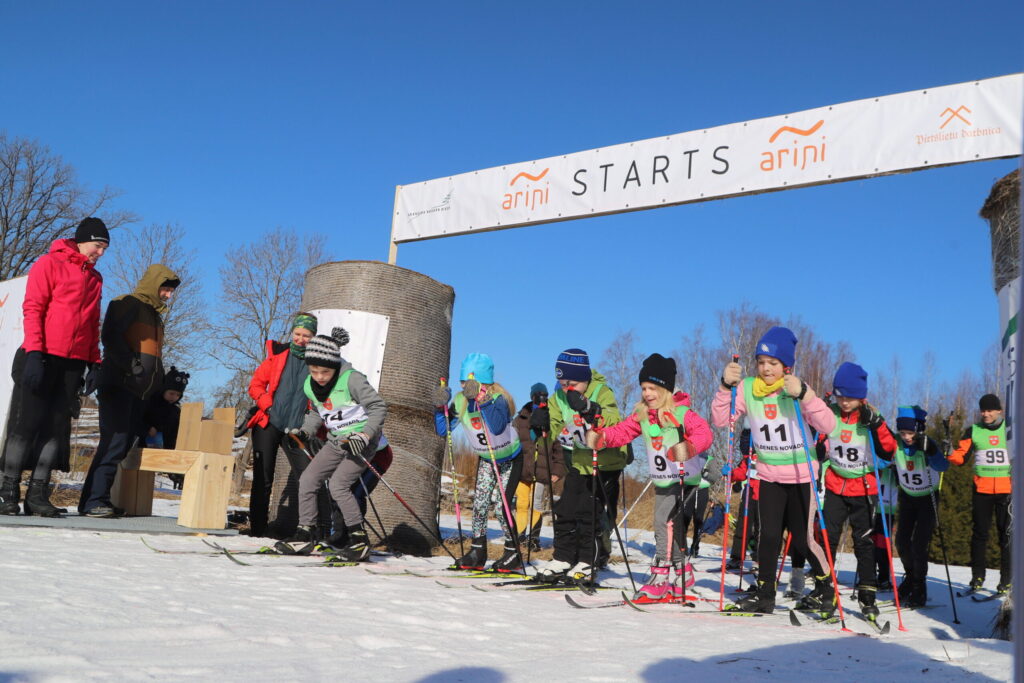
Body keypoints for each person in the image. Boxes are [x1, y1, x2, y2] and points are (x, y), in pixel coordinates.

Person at [712, 326, 836, 614]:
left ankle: (825, 587)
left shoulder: (794, 388)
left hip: (800, 475)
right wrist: (724, 387)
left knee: (803, 539)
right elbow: (721, 421)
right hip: (768, 474)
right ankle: (765, 594)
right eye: (761, 362)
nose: (766, 369)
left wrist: (806, 394)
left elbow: (829, 425)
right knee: (767, 537)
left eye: (774, 364)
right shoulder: (747, 389)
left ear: (786, 366)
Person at [0, 218, 108, 516]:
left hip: (72, 363)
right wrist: (34, 351)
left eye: (104, 249)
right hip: (41, 355)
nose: (100, 253)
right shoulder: (49, 264)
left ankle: (37, 494)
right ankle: (7, 492)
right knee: (26, 426)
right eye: (98, 246)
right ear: (83, 240)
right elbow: (33, 307)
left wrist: (94, 361)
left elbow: (91, 323)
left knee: (55, 430)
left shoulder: (95, 279)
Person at [587, 353, 713, 602]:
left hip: (684, 480)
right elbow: (622, 432)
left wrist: (687, 447)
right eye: (644, 388)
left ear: (666, 389)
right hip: (663, 480)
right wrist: (602, 438)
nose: (647, 393)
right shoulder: (643, 415)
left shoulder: (682, 413)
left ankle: (661, 577)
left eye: (653, 388)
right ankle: (683, 574)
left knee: (662, 521)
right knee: (670, 527)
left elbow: (705, 434)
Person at [78, 264, 179, 517]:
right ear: (154, 284)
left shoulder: (154, 316)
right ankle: (94, 502)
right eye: (165, 289)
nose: (168, 295)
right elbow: (111, 336)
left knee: (122, 446)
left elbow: (154, 356)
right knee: (114, 442)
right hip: (118, 384)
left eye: (170, 291)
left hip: (140, 392)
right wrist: (131, 366)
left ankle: (95, 500)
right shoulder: (126, 303)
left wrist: (161, 382)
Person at [288, 327, 389, 562]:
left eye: (325, 371)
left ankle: (358, 537)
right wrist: (305, 432)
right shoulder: (309, 384)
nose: (320, 376)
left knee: (338, 485)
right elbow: (316, 412)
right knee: (308, 479)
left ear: (335, 365)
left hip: (361, 440)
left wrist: (364, 436)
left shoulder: (351, 378)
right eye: (314, 371)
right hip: (336, 440)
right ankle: (306, 531)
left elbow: (378, 407)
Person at [534, 348, 626, 585]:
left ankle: (587, 560)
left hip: (605, 461)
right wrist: (541, 426)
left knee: (588, 511)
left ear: (584, 378)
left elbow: (614, 420)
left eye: (571, 382)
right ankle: (563, 557)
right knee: (565, 508)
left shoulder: (601, 391)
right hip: (580, 460)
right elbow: (553, 430)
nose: (566, 388)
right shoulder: (559, 398)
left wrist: (588, 408)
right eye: (561, 382)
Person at [816, 362, 896, 620]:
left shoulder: (871, 417)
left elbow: (889, 451)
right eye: (840, 396)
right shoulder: (831, 414)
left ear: (861, 396)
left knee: (863, 543)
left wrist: (878, 426)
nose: (844, 402)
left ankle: (867, 595)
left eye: (849, 397)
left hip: (863, 487)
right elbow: (819, 441)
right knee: (827, 538)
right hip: (835, 485)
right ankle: (824, 589)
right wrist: (817, 451)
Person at [434, 353, 523, 572]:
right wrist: (440, 408)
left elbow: (497, 426)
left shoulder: (499, 399)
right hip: (486, 459)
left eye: (469, 382)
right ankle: (477, 552)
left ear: (482, 382)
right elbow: (443, 429)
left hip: (509, 459)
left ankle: (513, 553)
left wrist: (482, 400)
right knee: (480, 505)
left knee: (502, 507)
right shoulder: (461, 401)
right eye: (462, 382)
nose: (464, 386)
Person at [244, 312, 319, 537]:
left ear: (313, 337)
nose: (301, 339)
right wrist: (267, 405)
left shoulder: (317, 362)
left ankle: (308, 529)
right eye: (297, 333)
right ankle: (258, 529)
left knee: (308, 476)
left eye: (306, 335)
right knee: (263, 478)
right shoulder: (277, 355)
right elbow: (256, 385)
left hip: (296, 429)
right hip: (269, 423)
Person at [948, 393, 1011, 594]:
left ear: (999, 411)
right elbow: (961, 457)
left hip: (1007, 491)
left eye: (990, 410)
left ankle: (1007, 580)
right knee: (979, 535)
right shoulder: (973, 430)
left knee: (1007, 536)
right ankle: (977, 577)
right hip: (982, 489)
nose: (986, 414)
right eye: (983, 410)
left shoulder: (1010, 430)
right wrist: (949, 451)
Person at [890, 405, 948, 607]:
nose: (907, 437)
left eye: (911, 432)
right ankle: (911, 577)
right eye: (903, 432)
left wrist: (931, 450)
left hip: (928, 498)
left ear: (919, 429)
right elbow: (881, 460)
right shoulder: (895, 443)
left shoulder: (926, 442)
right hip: (907, 497)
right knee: (901, 542)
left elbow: (943, 466)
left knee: (919, 545)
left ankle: (919, 587)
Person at [511, 382, 564, 551]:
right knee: (521, 504)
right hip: (522, 471)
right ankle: (519, 537)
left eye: (544, 395)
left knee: (536, 505)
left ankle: (534, 539)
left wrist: (557, 470)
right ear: (532, 396)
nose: (541, 398)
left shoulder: (552, 418)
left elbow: (559, 448)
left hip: (541, 470)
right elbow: (511, 444)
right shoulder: (519, 420)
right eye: (538, 395)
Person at [140, 366, 189, 489]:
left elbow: (176, 432)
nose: (174, 397)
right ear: (163, 390)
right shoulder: (150, 403)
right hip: (145, 446)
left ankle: (178, 476)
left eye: (178, 395)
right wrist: (147, 428)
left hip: (167, 448)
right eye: (171, 393)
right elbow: (137, 420)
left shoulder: (176, 411)